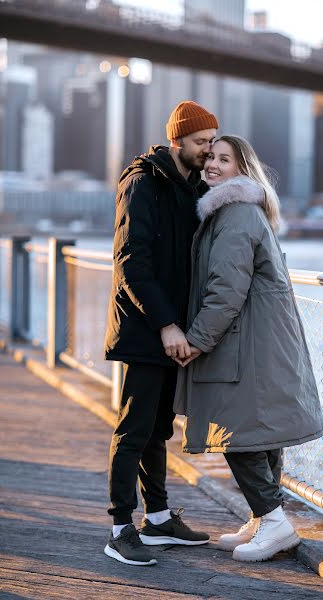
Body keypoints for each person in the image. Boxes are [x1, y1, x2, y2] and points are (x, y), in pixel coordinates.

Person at [174, 135, 323, 563]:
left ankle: (275, 524)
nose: (213, 166)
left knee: (238, 434)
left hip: (246, 345)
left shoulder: (235, 213)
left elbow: (226, 290)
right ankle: (263, 520)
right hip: (257, 342)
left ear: (243, 169)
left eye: (225, 159)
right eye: (211, 158)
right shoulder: (243, 211)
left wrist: (197, 340)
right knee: (259, 434)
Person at [103, 101, 218, 566]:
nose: (208, 152)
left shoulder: (190, 185)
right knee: (133, 429)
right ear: (177, 142)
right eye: (200, 143)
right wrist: (167, 324)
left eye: (212, 143)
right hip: (146, 327)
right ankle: (119, 529)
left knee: (157, 429)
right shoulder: (142, 182)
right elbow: (131, 260)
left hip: (173, 330)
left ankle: (158, 518)